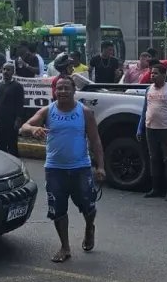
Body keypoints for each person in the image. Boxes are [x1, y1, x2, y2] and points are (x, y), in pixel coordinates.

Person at [21, 76, 106, 263]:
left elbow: (95, 141)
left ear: (74, 90)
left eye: (67, 88)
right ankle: (65, 247)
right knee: (58, 209)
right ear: (54, 91)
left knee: (88, 206)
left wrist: (100, 167)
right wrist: (32, 130)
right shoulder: (48, 111)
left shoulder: (84, 112)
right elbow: (24, 127)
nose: (63, 91)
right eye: (59, 88)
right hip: (54, 169)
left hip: (81, 168)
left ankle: (89, 227)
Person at [136, 64, 167, 200]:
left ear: (163, 75)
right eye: (151, 73)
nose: (152, 76)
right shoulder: (149, 89)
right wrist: (139, 128)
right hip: (151, 129)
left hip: (166, 130)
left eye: (155, 73)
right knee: (153, 159)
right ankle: (155, 188)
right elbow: (145, 110)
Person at [0, 62, 25, 156]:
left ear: (13, 72)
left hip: (11, 121)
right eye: (4, 69)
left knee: (12, 146)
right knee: (0, 145)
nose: (5, 72)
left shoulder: (17, 86)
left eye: (8, 70)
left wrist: (18, 120)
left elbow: (20, 104)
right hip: (0, 121)